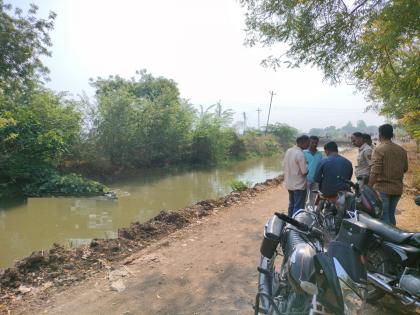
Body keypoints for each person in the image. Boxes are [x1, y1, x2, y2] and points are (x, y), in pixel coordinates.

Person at [368, 124, 408, 226]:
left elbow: (375, 172)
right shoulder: (401, 150)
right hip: (397, 188)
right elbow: (405, 169)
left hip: (383, 189)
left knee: (384, 217)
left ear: (380, 135)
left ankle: (388, 240)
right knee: (391, 215)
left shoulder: (379, 149)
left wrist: (368, 188)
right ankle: (394, 236)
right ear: (392, 135)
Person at [283, 135, 309, 217]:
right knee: (298, 207)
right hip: (299, 185)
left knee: (291, 205)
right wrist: (307, 165)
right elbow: (304, 172)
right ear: (302, 142)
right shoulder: (300, 154)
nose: (308, 145)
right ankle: (294, 226)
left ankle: (289, 222)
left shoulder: (289, 151)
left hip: (289, 184)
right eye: (307, 143)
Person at [303, 136, 323, 207]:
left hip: (316, 179)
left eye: (316, 143)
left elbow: (321, 166)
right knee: (304, 198)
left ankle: (312, 214)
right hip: (306, 179)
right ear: (309, 142)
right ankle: (303, 214)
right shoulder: (303, 153)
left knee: (313, 198)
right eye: (312, 142)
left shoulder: (319, 154)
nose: (314, 144)